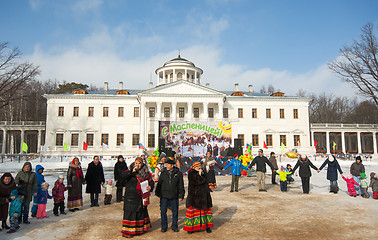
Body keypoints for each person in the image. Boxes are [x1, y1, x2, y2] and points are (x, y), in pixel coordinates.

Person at [120, 157, 154, 238]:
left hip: (141, 196)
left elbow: (151, 181)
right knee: (130, 212)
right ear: (134, 164)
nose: (137, 165)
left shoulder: (146, 172)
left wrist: (150, 187)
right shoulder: (129, 170)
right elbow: (122, 176)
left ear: (142, 164)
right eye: (136, 163)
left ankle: (139, 229)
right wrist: (132, 171)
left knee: (140, 211)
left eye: (139, 163)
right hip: (130, 196)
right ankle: (128, 231)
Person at [155, 158, 185, 233]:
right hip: (164, 195)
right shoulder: (163, 172)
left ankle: (174, 226)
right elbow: (159, 183)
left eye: (168, 165)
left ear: (172, 165)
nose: (167, 166)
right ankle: (164, 227)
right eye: (166, 164)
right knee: (163, 212)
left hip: (174, 196)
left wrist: (181, 195)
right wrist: (157, 193)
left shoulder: (178, 173)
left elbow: (181, 185)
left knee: (175, 212)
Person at [183, 161, 213, 234]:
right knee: (193, 212)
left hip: (204, 196)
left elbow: (206, 180)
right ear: (194, 167)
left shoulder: (203, 173)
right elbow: (196, 182)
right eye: (197, 167)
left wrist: (201, 174)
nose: (199, 168)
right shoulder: (191, 174)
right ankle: (190, 228)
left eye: (200, 166)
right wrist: (199, 175)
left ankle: (207, 227)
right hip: (194, 196)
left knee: (205, 212)